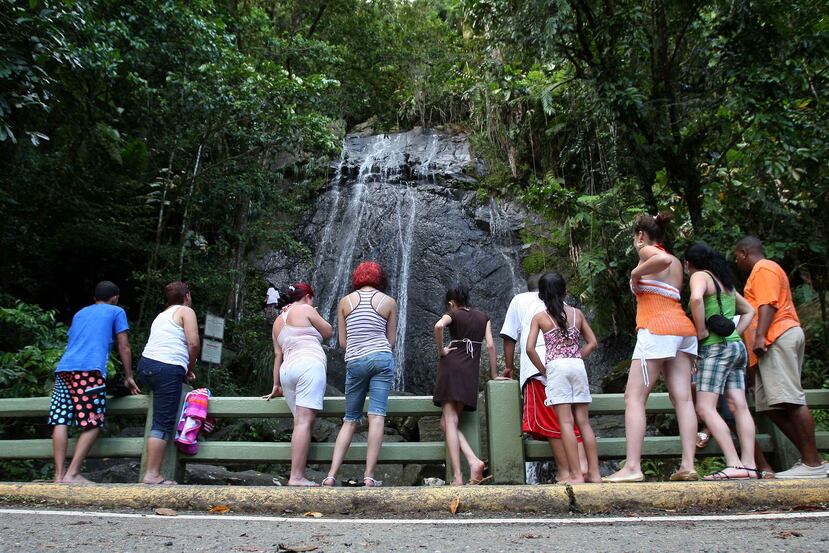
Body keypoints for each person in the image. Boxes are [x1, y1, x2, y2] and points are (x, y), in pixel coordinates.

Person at [604, 212, 698, 483]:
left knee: (633, 398)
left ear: (641, 235)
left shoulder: (648, 251)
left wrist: (634, 273)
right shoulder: (679, 264)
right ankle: (688, 465)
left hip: (657, 328)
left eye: (636, 237)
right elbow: (669, 268)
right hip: (682, 329)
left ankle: (632, 466)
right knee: (683, 399)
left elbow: (661, 259)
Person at [734, 236, 828, 478]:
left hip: (776, 336)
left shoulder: (764, 268)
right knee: (770, 406)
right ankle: (809, 459)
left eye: (736, 256)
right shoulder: (762, 271)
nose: (736, 261)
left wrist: (760, 336)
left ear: (745, 252)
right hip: (770, 341)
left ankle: (813, 463)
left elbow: (768, 303)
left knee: (790, 399)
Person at [49, 281, 141, 483]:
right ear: (115, 297)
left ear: (94, 298)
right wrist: (129, 376)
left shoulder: (80, 313)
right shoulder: (116, 311)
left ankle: (58, 475)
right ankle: (72, 474)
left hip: (64, 369)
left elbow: (73, 342)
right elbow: (123, 346)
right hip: (89, 370)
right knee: (92, 421)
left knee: (61, 419)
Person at [500, 274, 587, 482]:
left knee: (552, 421)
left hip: (539, 366)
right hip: (571, 365)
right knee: (573, 418)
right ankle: (584, 466)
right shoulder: (561, 303)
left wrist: (509, 368)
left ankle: (567, 471)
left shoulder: (519, 300)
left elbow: (510, 337)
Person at [684, 243, 761, 480]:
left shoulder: (699, 276)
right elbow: (749, 310)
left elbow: (696, 300)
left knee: (705, 407)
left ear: (689, 263)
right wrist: (736, 331)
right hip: (736, 347)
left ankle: (734, 464)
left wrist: (701, 332)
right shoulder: (723, 282)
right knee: (740, 406)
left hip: (715, 348)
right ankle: (749, 464)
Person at [324, 261, 398, 487]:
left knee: (349, 420)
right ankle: (368, 476)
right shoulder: (389, 302)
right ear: (379, 278)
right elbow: (392, 340)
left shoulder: (344, 302)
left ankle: (330, 476)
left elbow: (343, 342)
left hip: (355, 361)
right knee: (376, 417)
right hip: (381, 358)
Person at [525, 273, 601, 484]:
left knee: (565, 423)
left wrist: (544, 370)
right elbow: (592, 342)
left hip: (556, 368)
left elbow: (530, 348)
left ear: (541, 295)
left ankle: (576, 474)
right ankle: (594, 474)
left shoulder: (540, 317)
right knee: (584, 422)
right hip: (577, 366)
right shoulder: (577, 314)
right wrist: (577, 356)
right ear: (565, 291)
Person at [262, 283, 332, 486]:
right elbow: (328, 332)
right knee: (303, 423)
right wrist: (314, 313)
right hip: (308, 365)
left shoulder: (278, 320)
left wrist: (276, 384)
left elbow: (278, 355)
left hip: (286, 372)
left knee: (299, 423)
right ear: (308, 296)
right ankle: (296, 476)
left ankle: (296, 474)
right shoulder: (306, 309)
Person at [432, 285, 497, 485]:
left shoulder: (453, 314)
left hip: (451, 369)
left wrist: (442, 351)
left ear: (451, 302)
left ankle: (458, 476)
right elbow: (491, 345)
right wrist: (494, 374)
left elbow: (438, 326)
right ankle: (474, 461)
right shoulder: (483, 316)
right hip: (470, 371)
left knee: (449, 421)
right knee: (447, 423)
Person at [137, 281, 199, 485]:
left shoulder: (161, 315)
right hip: (167, 367)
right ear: (187, 295)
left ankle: (152, 471)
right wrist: (189, 369)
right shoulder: (185, 311)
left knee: (160, 414)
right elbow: (193, 343)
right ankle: (152, 474)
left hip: (146, 365)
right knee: (162, 422)